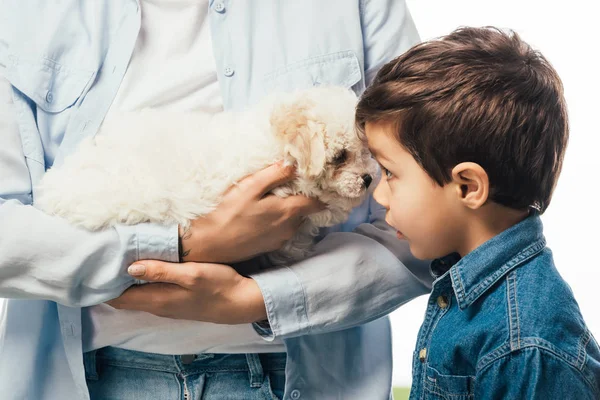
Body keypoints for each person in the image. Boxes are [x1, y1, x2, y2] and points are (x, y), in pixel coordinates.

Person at [0, 1, 433, 399]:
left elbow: (429, 218)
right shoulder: (24, 11)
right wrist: (185, 243)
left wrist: (264, 298)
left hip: (294, 375)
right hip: (90, 376)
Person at [357, 26, 600, 399]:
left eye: (390, 173)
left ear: (468, 186)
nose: (380, 194)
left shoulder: (525, 347)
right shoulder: (467, 288)